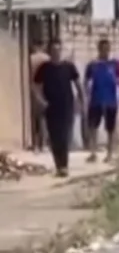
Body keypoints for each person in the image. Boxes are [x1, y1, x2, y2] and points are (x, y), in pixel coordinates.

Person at [32, 40, 84, 177]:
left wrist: (81, 101)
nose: (56, 52)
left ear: (61, 51)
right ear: (49, 52)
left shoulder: (69, 67)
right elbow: (35, 86)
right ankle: (58, 166)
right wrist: (41, 101)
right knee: (54, 137)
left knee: (65, 135)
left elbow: (78, 84)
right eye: (53, 50)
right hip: (51, 107)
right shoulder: (44, 68)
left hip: (67, 105)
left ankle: (64, 166)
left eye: (58, 50)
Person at [84, 39, 119, 163]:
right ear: (99, 49)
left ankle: (110, 154)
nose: (105, 51)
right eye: (103, 49)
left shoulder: (114, 64)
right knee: (93, 126)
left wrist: (117, 82)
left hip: (111, 100)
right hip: (96, 99)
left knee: (110, 128)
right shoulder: (92, 65)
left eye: (107, 49)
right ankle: (93, 152)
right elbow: (86, 81)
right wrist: (86, 94)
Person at [28, 41, 50, 152]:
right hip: (44, 89)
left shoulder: (30, 58)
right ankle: (43, 144)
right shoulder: (47, 58)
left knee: (33, 118)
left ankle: (35, 143)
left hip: (32, 89)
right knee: (43, 118)